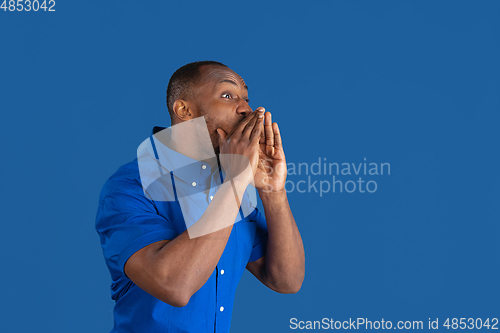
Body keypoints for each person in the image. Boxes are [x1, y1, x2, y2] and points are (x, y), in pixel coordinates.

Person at [95, 61, 305, 332]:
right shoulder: (130, 187)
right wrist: (236, 180)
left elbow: (286, 280)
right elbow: (175, 286)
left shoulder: (231, 187)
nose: (246, 109)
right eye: (228, 95)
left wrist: (273, 192)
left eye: (246, 98)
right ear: (184, 110)